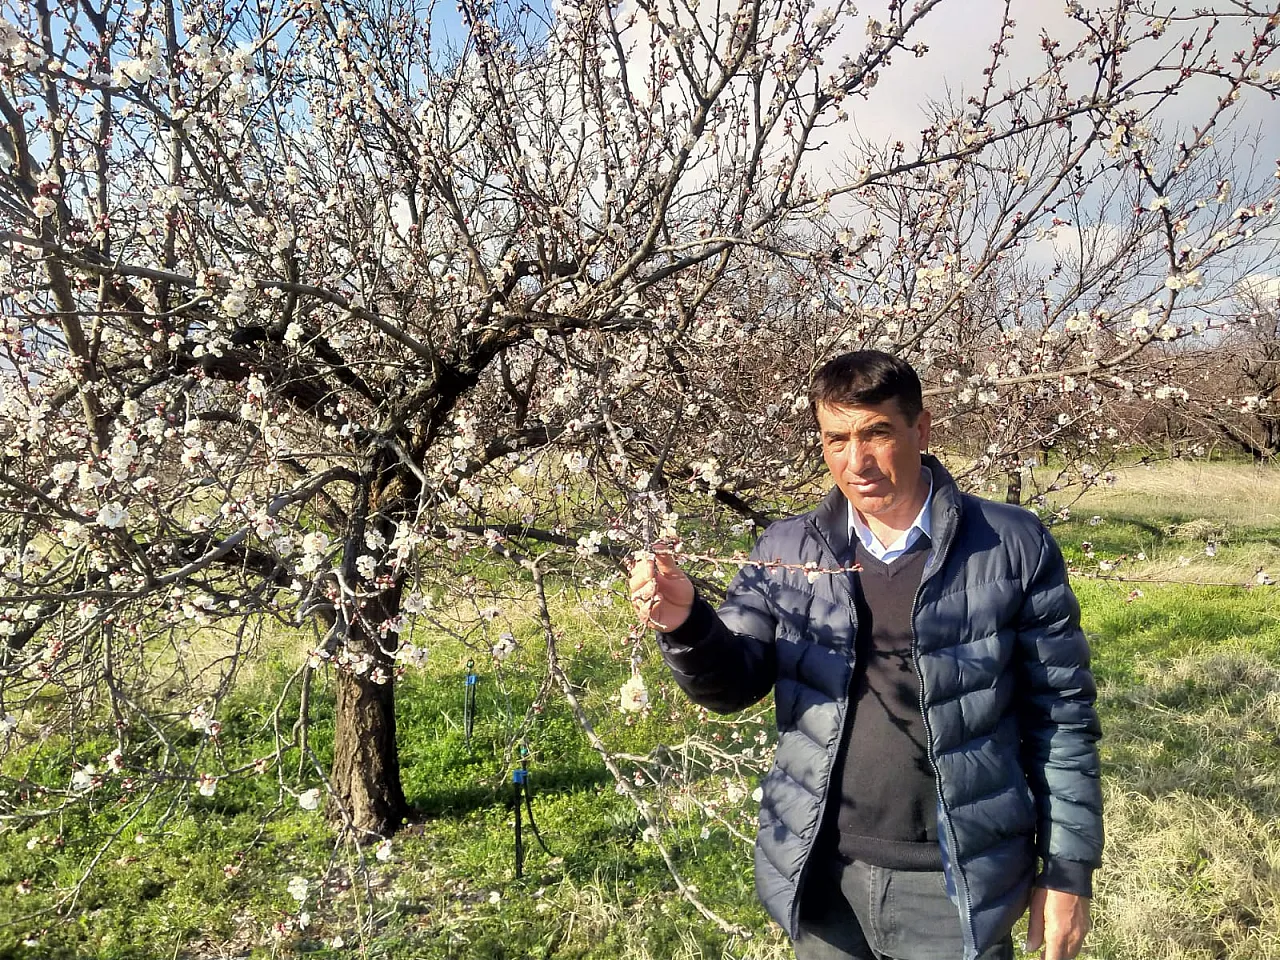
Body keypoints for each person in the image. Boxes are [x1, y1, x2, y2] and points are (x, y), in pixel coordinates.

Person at [629, 351, 1102, 960]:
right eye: (836, 438)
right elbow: (731, 686)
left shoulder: (1011, 544)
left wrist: (1067, 871)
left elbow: (1061, 718)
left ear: (921, 429)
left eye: (877, 433)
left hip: (952, 882)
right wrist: (686, 623)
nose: (857, 461)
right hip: (823, 873)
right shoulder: (786, 549)